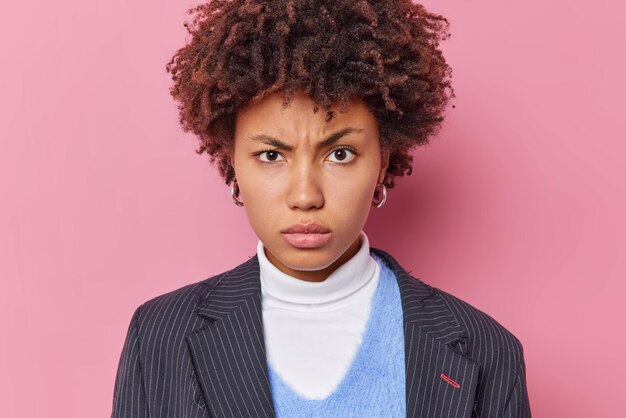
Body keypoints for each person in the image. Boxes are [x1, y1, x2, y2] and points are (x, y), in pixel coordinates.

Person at [111, 0, 531, 417]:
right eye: (272, 156)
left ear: (382, 162)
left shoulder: (486, 350)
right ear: (232, 160)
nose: (306, 195)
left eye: (341, 154)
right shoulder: (159, 337)